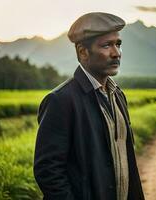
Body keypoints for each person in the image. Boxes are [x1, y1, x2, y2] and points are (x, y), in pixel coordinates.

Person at [33, 12, 145, 200]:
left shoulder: (118, 95)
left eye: (118, 44)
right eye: (107, 45)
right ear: (83, 52)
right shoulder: (60, 101)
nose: (116, 53)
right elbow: (48, 171)